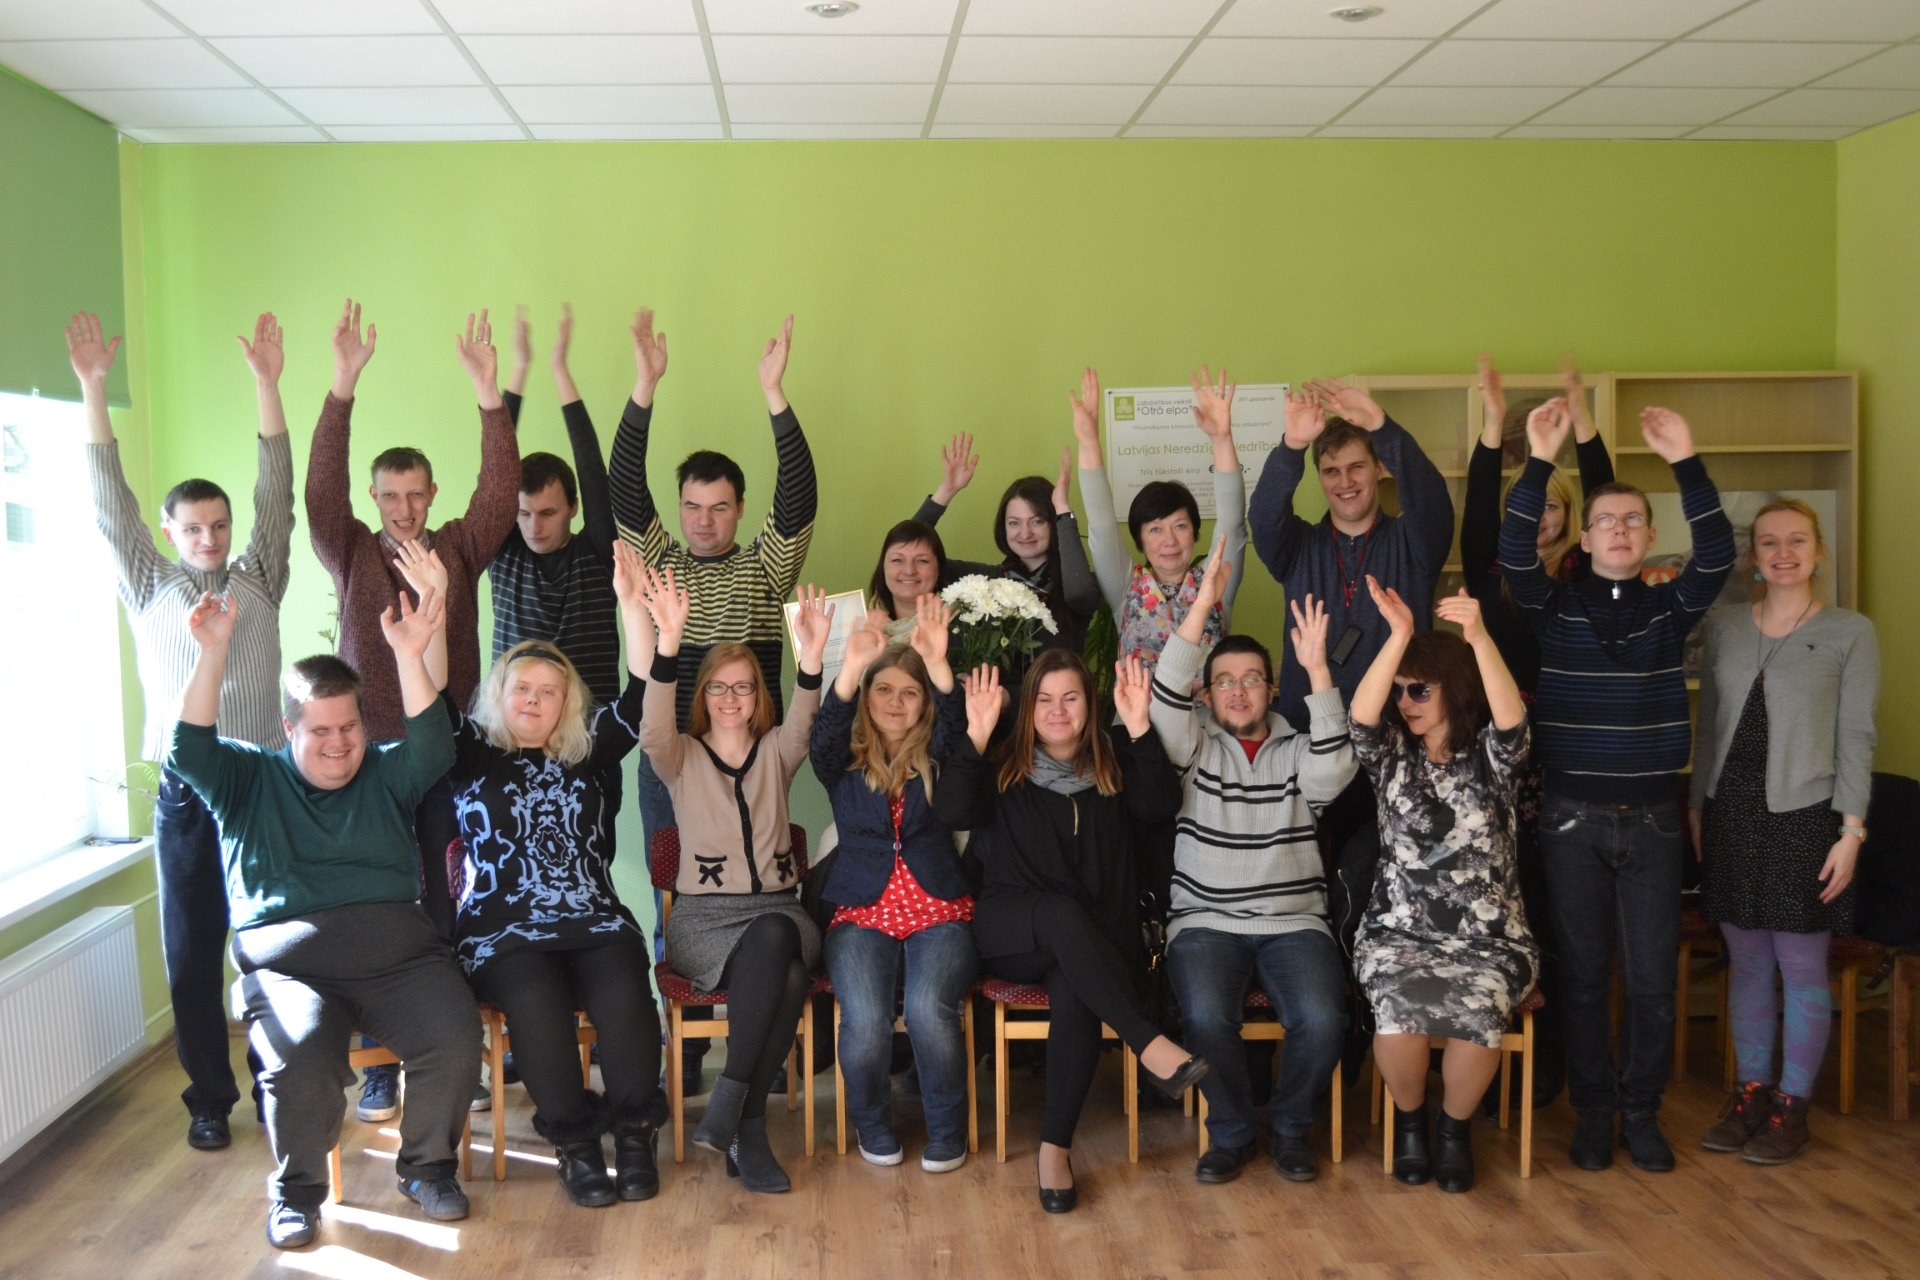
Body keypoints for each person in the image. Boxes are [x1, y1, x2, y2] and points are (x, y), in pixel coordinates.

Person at [168, 582, 482, 1250]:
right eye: (320, 731)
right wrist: (213, 651)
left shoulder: (387, 772)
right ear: (289, 729)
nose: (339, 744)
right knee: (300, 1061)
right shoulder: (247, 779)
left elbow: (436, 747)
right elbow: (188, 751)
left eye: (350, 727)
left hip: (401, 960)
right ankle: (297, 1195)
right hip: (291, 971)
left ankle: (427, 1169)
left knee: (455, 1037)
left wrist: (410, 655)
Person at [68, 310, 293, 1153]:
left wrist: (267, 384)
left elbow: (277, 495)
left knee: (269, 945)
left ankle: (279, 1088)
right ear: (171, 534)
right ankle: (208, 1099)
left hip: (260, 787)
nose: (208, 538)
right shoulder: (148, 583)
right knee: (193, 952)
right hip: (186, 796)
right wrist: (94, 388)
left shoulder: (259, 577)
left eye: (218, 526)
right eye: (193, 528)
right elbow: (109, 505)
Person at [1499, 397, 1734, 1174]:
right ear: (1587, 537)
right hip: (1571, 819)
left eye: (1634, 520)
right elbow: (1512, 549)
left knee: (1651, 983)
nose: (1621, 530)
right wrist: (1539, 456)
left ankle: (1640, 1113)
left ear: (1649, 536)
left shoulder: (1670, 608)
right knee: (1581, 978)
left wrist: (1684, 458)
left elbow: (1719, 554)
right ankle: (1594, 1113)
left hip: (1655, 822)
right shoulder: (1553, 606)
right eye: (1606, 521)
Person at [305, 300, 519, 1119]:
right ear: (375, 496)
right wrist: (342, 387)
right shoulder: (352, 551)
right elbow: (320, 495)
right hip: (367, 766)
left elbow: (500, 492)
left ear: (431, 496)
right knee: (372, 907)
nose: (402, 508)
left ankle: (455, 1050)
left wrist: (489, 396)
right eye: (389, 496)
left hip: (442, 758)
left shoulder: (457, 549)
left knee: (449, 900)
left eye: (413, 495)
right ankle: (379, 1064)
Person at [609, 310, 816, 1095]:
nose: (704, 520)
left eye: (720, 507)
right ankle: (690, 1055)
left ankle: (763, 1054)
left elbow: (799, 495)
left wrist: (775, 395)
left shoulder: (766, 567)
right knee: (677, 895)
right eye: (693, 506)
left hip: (752, 763)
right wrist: (644, 388)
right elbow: (623, 483)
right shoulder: (659, 560)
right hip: (671, 761)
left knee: (761, 893)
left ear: (739, 508)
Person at [429, 538, 667, 1206]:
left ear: (568, 703)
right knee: (537, 1006)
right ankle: (577, 1145)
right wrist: (437, 607)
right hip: (501, 928)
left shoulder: (587, 753)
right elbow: (435, 693)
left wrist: (631, 604)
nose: (534, 701)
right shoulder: (472, 751)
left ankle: (635, 1134)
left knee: (626, 993)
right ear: (500, 695)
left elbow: (641, 691)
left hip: (593, 918)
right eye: (522, 690)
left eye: (549, 692)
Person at [931, 651, 1210, 1214]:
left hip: (1091, 944)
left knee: (1075, 990)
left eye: (1071, 698)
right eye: (1044, 699)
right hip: (1012, 930)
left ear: (1091, 704)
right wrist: (977, 734)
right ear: (1027, 708)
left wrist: (1139, 725)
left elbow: (1161, 807)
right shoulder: (1004, 764)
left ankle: (1054, 1150)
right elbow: (954, 813)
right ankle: (1148, 1043)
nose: (1057, 711)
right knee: (1060, 915)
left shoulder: (1115, 761)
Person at [1152, 538, 1357, 1185]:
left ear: (1270, 688)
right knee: (1205, 1018)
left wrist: (1317, 670)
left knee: (1323, 1020)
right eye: (1224, 681)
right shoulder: (1192, 749)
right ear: (1206, 695)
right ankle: (1233, 1133)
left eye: (1250, 680)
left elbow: (1338, 764)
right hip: (1204, 922)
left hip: (1294, 922)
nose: (1238, 692)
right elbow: (1163, 694)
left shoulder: (1300, 752)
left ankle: (1291, 1128)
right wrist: (1202, 604)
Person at [1691, 500, 1878, 1163]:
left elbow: (1857, 735)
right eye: (1769, 542)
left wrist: (1852, 831)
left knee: (1800, 967)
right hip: (1731, 810)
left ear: (1818, 551)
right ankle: (1751, 1093)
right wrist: (1698, 808)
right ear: (1754, 557)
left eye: (1797, 540)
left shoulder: (1850, 631)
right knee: (1746, 963)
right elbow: (1709, 723)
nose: (1783, 552)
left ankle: (1791, 1108)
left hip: (1808, 815)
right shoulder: (1725, 627)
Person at [636, 568, 831, 1194]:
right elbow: (652, 729)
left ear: (756, 695)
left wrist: (812, 659)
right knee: (790, 977)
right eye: (718, 687)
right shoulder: (680, 757)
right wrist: (669, 644)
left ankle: (731, 1098)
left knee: (776, 934)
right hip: (702, 921)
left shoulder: (777, 751)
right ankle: (748, 1128)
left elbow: (804, 723)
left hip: (779, 910)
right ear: (703, 694)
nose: (730, 697)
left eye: (742, 687)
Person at [1348, 578, 1538, 1194]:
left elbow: (1511, 719)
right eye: (1402, 689)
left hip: (1489, 938)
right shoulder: (1390, 755)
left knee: (1480, 1008)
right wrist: (1399, 636)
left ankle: (1454, 1130)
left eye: (1421, 689)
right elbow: (1360, 716)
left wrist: (1478, 637)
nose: (1406, 701)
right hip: (1397, 932)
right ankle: (1410, 1123)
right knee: (1395, 1008)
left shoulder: (1493, 757)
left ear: (1454, 688)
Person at [1460, 354, 1612, 1109]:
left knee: (1559, 916)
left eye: (1555, 505)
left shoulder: (1590, 572)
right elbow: (1478, 507)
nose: (1544, 516)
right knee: (1499, 908)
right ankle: (1492, 1059)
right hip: (1502, 766)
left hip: (1572, 762)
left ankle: (1550, 1060)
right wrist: (1494, 429)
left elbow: (1609, 495)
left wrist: (1585, 425)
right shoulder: (1495, 573)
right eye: (1534, 506)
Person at [811, 597, 975, 1171]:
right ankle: (873, 1124)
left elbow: (958, 728)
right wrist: (854, 666)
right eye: (884, 690)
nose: (896, 702)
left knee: (930, 1010)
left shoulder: (940, 756)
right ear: (867, 698)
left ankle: (947, 1129)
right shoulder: (842, 763)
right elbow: (824, 734)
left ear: (924, 702)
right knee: (863, 1020)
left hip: (940, 911)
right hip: (860, 913)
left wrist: (938, 665)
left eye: (909, 692)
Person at [1248, 377, 1454, 729]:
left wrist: (1381, 427)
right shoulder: (1297, 547)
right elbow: (1263, 517)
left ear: (1379, 468)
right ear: (1320, 477)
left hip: (1398, 729)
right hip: (1309, 732)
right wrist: (1292, 447)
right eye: (1332, 471)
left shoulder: (1413, 542)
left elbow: (1431, 499)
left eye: (1356, 467)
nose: (1345, 482)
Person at [488, 303, 621, 706]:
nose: (534, 527)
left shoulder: (599, 553)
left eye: (548, 513)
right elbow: (495, 469)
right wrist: (518, 370)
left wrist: (560, 371)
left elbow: (592, 469)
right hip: (513, 726)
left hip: (591, 728)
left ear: (574, 507)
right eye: (524, 514)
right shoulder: (504, 552)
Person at [1074, 367, 1248, 674]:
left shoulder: (1215, 582)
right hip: (1137, 708)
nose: (1169, 540)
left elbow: (1232, 523)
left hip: (1210, 707)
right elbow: (1101, 525)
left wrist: (1221, 439)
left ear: (1195, 533)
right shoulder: (1127, 587)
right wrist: (1088, 442)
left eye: (1180, 526)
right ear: (1140, 540)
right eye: (1155, 529)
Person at [910, 433, 1102, 657]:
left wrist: (1062, 510)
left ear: (1053, 524)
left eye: (1037, 521)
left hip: (1058, 681)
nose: (1025, 533)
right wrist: (946, 491)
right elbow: (908, 552)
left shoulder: (1074, 584)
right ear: (1003, 527)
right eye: (1014, 523)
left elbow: (1080, 593)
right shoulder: (988, 581)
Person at [865, 519, 955, 643]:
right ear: (883, 567)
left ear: (938, 570)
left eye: (922, 561)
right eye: (897, 560)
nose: (909, 571)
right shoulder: (860, 627)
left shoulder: (967, 629)